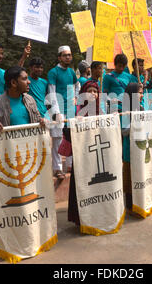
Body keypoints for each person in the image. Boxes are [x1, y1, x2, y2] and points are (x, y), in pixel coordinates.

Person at [62, 80, 103, 226]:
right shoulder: (76, 110)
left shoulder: (102, 111)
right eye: (89, 91)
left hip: (97, 158)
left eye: (95, 91)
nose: (92, 94)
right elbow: (66, 133)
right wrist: (75, 124)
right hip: (81, 158)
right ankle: (80, 218)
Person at [47, 45, 79, 180]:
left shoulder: (71, 72)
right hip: (58, 111)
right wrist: (56, 112)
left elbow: (77, 85)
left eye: (69, 55)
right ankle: (57, 168)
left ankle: (71, 165)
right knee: (58, 140)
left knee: (71, 137)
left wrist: (76, 97)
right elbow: (52, 92)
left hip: (70, 110)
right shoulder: (53, 72)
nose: (68, 57)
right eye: (65, 55)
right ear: (59, 57)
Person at [0, 66, 44, 132]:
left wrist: (42, 121)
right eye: (24, 79)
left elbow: (38, 118)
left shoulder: (30, 99)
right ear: (13, 83)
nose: (29, 82)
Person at [121, 82, 144, 213]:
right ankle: (130, 206)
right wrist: (136, 124)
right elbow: (123, 131)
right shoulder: (125, 110)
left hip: (140, 147)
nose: (141, 96)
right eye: (139, 93)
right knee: (129, 179)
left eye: (142, 93)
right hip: (129, 149)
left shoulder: (141, 108)